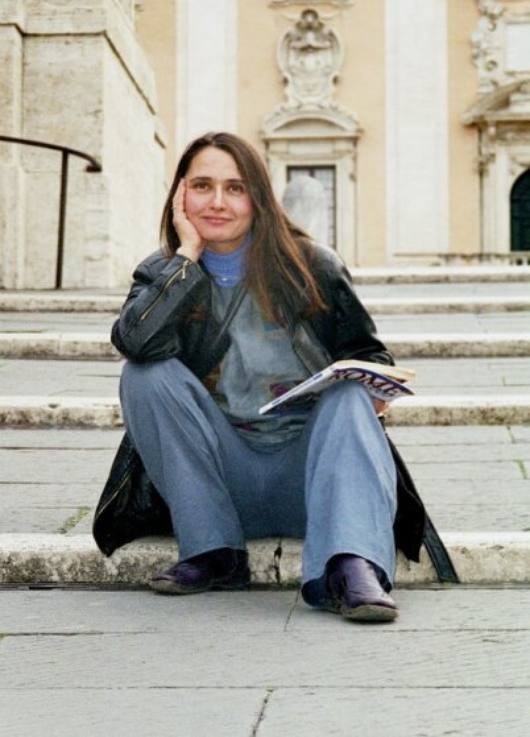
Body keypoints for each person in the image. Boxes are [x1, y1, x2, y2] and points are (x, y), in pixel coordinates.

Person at [93, 131, 431, 623]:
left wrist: (372, 390)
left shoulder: (312, 266)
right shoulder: (161, 271)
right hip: (220, 478)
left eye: (235, 188)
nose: (217, 202)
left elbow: (368, 353)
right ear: (180, 195)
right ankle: (212, 550)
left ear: (258, 198)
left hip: (313, 478)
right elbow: (136, 342)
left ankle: (350, 566)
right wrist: (186, 259)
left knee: (348, 395)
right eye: (202, 186)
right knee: (144, 375)